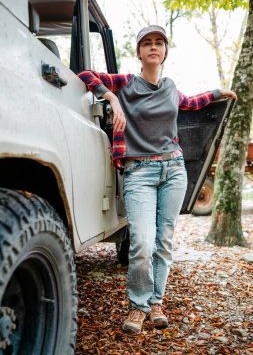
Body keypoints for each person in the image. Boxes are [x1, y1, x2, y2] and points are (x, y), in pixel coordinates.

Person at [78, 25, 237, 334]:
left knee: (163, 243)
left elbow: (191, 103)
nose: (153, 47)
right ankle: (137, 306)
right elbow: (85, 74)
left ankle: (155, 304)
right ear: (139, 52)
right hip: (139, 172)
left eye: (159, 43)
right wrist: (111, 97)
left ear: (165, 52)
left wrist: (218, 93)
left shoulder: (170, 87)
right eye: (147, 43)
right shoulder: (127, 83)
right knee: (141, 242)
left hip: (173, 170)